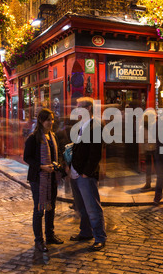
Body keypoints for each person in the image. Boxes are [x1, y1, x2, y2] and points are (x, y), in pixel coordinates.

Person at [24, 108, 64, 252]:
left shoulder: (53, 136)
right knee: (39, 209)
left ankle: (50, 235)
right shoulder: (33, 138)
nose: (51, 122)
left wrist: (57, 164)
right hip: (38, 178)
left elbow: (57, 153)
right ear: (41, 121)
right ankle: (39, 240)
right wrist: (41, 167)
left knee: (51, 207)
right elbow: (27, 157)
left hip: (51, 177)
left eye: (52, 119)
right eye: (48, 120)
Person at [69, 97, 106, 251]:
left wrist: (86, 172)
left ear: (89, 108)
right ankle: (85, 232)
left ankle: (100, 237)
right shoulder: (81, 125)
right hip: (75, 173)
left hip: (85, 174)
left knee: (92, 207)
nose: (77, 110)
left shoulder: (96, 125)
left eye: (79, 107)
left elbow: (95, 153)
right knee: (82, 207)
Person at [139, 109, 157, 191]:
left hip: (147, 149)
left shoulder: (142, 127)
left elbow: (141, 141)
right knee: (157, 166)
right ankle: (157, 183)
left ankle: (148, 183)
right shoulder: (155, 126)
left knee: (149, 167)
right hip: (155, 148)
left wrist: (142, 151)